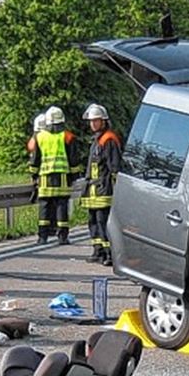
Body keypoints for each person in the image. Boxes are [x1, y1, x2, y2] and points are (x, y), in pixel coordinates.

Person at [28, 105, 81, 244]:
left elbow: (35, 159)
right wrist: (75, 176)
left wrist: (33, 176)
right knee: (61, 207)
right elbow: (73, 159)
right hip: (63, 178)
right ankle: (62, 237)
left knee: (44, 206)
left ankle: (42, 237)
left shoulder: (40, 137)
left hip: (45, 178)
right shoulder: (68, 136)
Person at [80, 103, 122, 265]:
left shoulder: (108, 139)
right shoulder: (96, 140)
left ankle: (109, 254)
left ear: (103, 121)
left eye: (96, 121)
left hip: (104, 189)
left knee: (103, 221)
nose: (93, 124)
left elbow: (114, 167)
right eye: (91, 121)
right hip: (92, 190)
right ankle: (98, 251)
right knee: (93, 221)